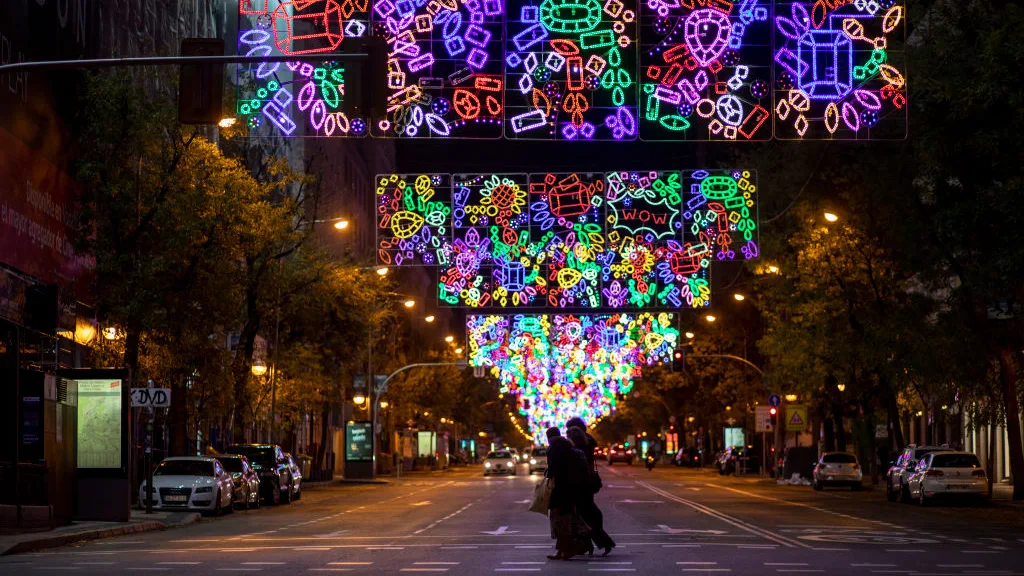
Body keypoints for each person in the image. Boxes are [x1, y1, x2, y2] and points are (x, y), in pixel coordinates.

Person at [566, 417, 616, 556]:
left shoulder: (578, 446)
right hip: (587, 483)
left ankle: (601, 542)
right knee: (585, 514)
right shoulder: (588, 442)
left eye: (569, 431)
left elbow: (578, 467)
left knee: (583, 515)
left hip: (580, 483)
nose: (567, 434)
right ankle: (586, 544)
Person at [544, 426, 587, 560]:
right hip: (570, 489)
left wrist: (547, 476)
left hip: (560, 490)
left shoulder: (555, 448)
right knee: (565, 521)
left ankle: (565, 550)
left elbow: (553, 469)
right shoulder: (567, 446)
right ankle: (562, 550)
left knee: (560, 521)